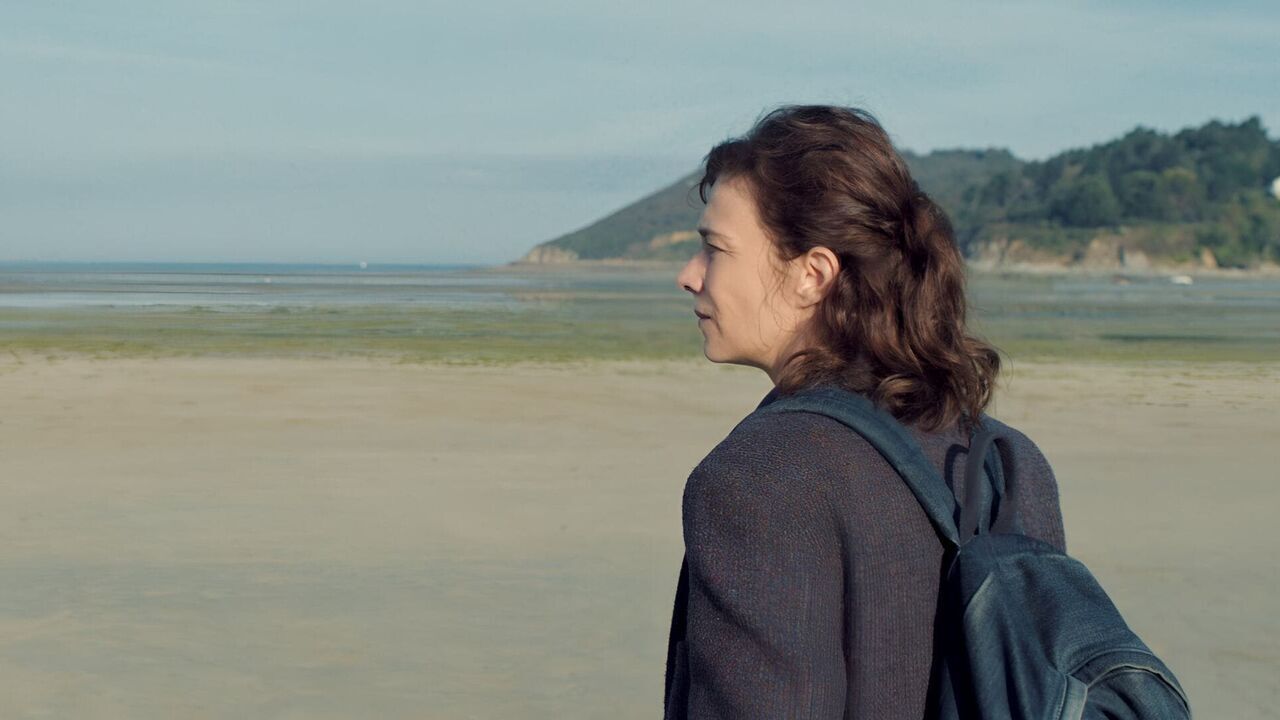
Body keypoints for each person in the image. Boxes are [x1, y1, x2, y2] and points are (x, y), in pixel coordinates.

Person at [664, 105, 1066, 719]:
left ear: (812, 275)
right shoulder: (1005, 462)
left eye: (714, 249)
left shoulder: (757, 478)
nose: (689, 276)